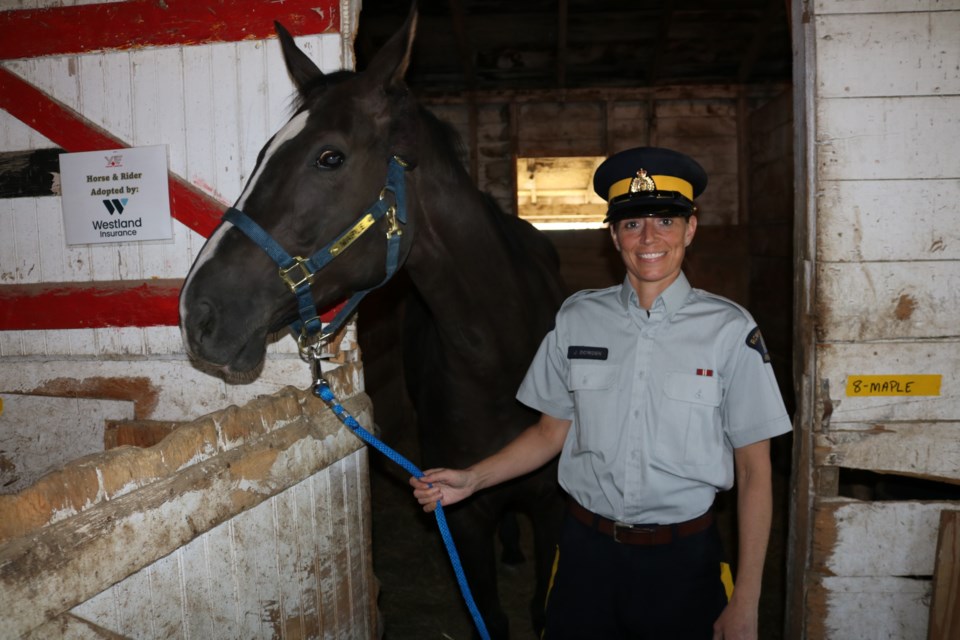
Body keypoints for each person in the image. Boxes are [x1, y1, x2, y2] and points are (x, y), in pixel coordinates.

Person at [410, 147, 792, 639]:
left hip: (684, 561)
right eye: (632, 224)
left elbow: (754, 470)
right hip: (584, 555)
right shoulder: (576, 319)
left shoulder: (730, 330)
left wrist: (747, 600)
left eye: (665, 220)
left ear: (690, 229)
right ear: (613, 235)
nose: (649, 237)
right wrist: (473, 479)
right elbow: (550, 433)